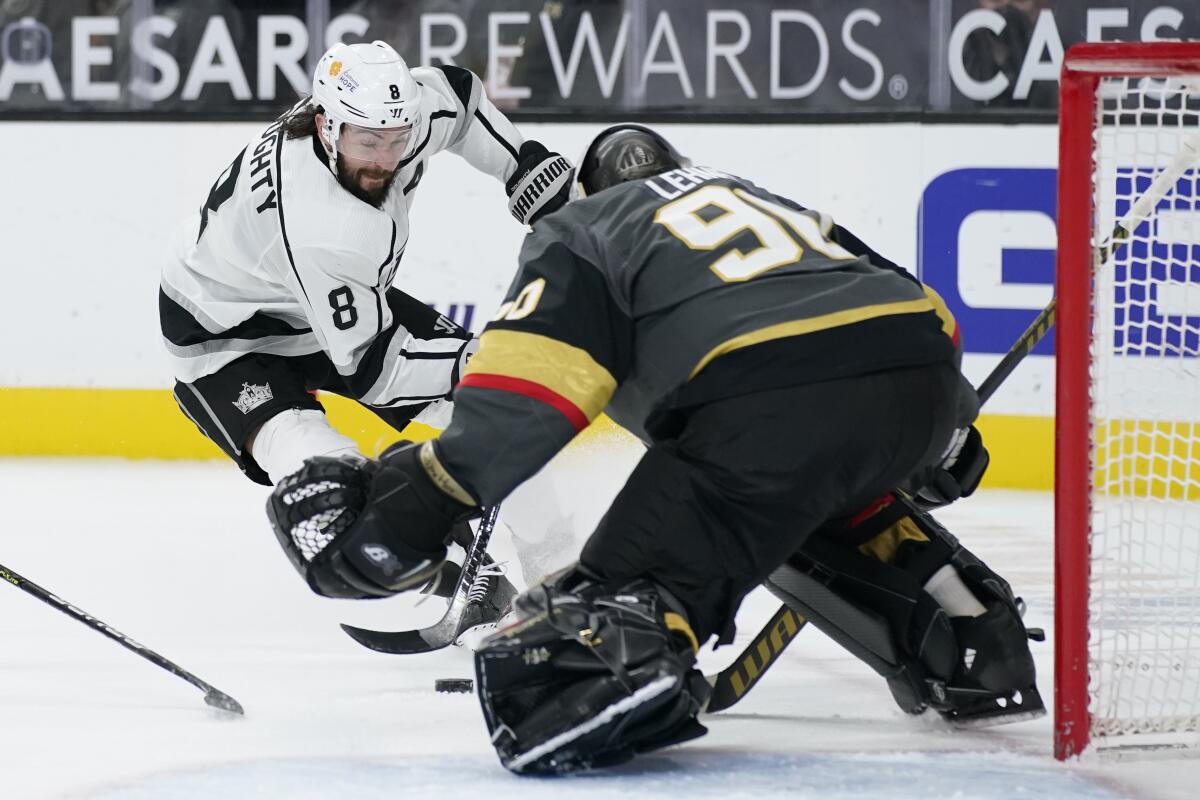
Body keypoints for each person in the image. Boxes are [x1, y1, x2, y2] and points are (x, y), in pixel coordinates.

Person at [265, 125, 1042, 773]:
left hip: (762, 408)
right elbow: (924, 308)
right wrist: (947, 436)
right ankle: (965, 627)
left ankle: (638, 635)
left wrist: (423, 497)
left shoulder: (585, 230)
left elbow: (528, 399)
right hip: (916, 381)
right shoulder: (764, 200)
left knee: (573, 641)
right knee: (806, 495)